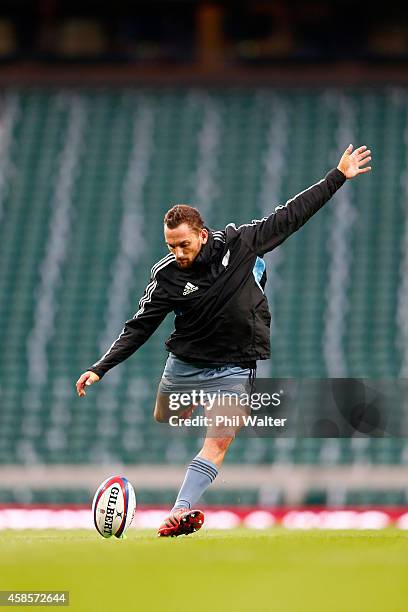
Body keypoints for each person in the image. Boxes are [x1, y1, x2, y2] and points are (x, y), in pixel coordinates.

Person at [76, 144, 372, 537]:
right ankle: (196, 403)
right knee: (166, 416)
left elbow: (290, 216)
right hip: (186, 361)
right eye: (170, 246)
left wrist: (337, 176)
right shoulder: (166, 276)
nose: (178, 253)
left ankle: (179, 511)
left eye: (184, 244)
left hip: (234, 363)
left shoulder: (242, 243)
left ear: (201, 234)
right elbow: (139, 325)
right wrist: (100, 367)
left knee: (218, 442)